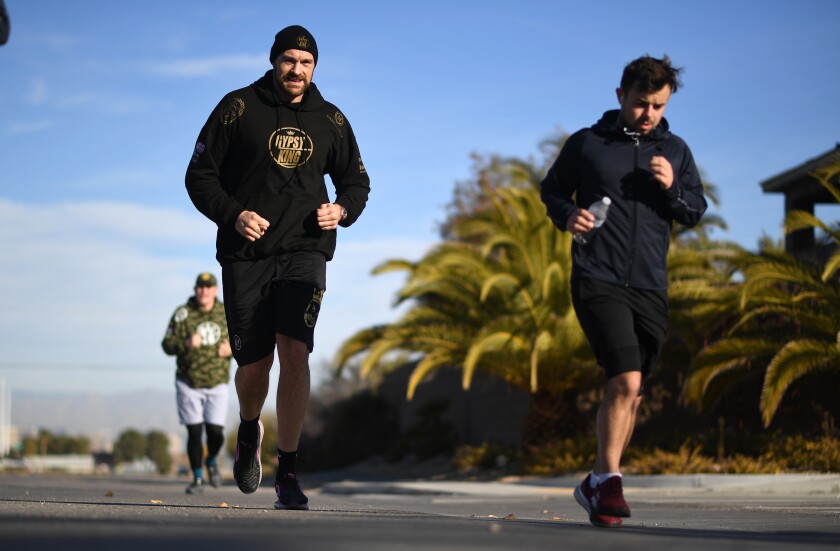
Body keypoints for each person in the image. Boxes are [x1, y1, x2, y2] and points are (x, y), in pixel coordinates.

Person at [185, 25, 370, 510]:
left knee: (296, 350)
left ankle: (288, 471)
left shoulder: (331, 119)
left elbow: (356, 182)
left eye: (306, 62)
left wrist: (342, 210)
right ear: (274, 61)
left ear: (315, 68)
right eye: (289, 60)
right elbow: (199, 175)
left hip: (305, 252)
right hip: (247, 255)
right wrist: (234, 214)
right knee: (253, 368)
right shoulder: (238, 107)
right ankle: (249, 430)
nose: (297, 69)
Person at [540, 55, 707, 528]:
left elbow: (695, 209)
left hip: (652, 285)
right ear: (620, 96)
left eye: (658, 105)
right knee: (626, 379)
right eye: (641, 103)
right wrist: (566, 214)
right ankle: (611, 480)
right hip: (598, 276)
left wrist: (673, 189)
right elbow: (551, 189)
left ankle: (595, 480)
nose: (649, 114)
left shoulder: (676, 150)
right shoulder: (588, 144)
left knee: (631, 392)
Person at [161, 272, 233, 495]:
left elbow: (245, 339)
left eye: (208, 286)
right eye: (200, 287)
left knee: (215, 433)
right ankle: (198, 478)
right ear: (195, 289)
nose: (203, 290)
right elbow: (166, 344)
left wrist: (232, 349)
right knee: (194, 432)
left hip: (217, 382)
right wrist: (185, 343)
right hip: (188, 382)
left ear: (215, 290)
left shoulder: (227, 311)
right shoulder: (183, 314)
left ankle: (211, 460)